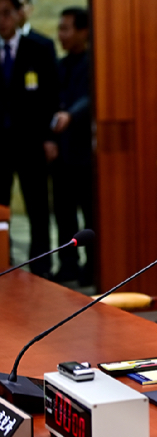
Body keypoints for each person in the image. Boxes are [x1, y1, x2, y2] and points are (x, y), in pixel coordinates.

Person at [0, 0, 58, 278]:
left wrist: (49, 138)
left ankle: (41, 267)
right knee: (1, 209)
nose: (2, 20)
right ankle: (3, 261)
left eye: (6, 13)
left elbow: (51, 97)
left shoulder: (40, 46)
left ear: (18, 13)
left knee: (37, 207)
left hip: (31, 141)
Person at [48, 7, 92, 285]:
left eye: (66, 29)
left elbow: (90, 98)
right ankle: (68, 265)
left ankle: (93, 266)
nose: (61, 35)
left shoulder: (93, 64)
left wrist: (72, 115)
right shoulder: (60, 66)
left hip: (84, 152)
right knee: (63, 216)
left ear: (83, 31)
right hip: (61, 153)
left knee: (89, 215)